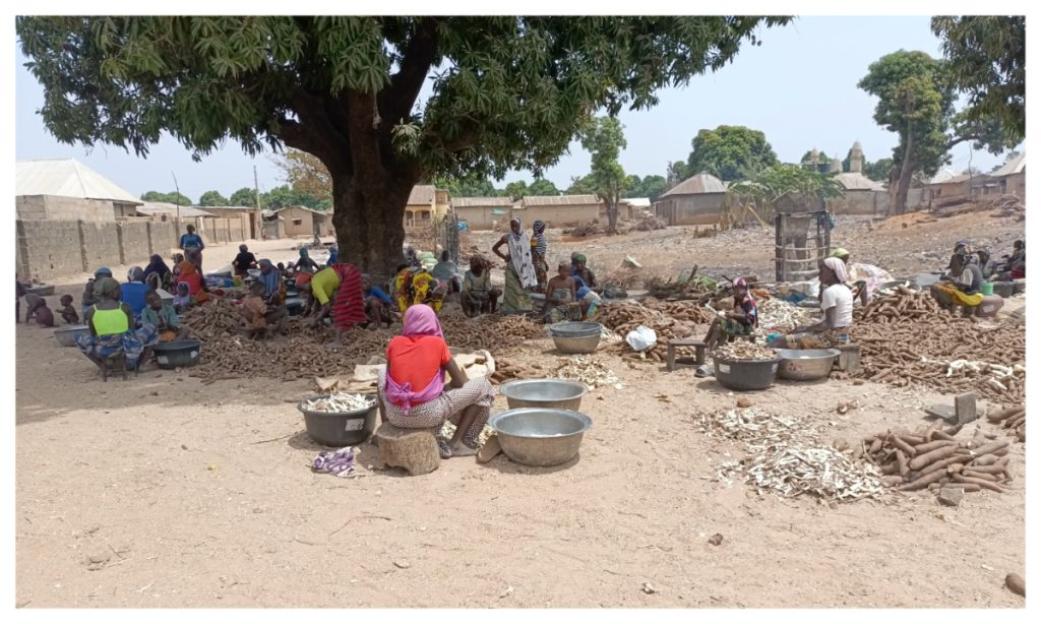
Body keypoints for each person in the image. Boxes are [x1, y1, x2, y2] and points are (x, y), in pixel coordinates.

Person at [378, 304, 496, 459]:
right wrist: (443, 389)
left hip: (395, 414)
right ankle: (457, 443)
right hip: (428, 413)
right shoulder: (437, 343)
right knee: (484, 386)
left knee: (381, 372)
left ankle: (384, 428)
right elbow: (460, 382)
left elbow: (389, 380)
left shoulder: (395, 342)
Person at [77, 277, 158, 371]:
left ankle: (102, 366)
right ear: (113, 292)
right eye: (119, 290)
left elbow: (93, 335)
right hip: (127, 356)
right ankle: (140, 364)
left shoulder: (92, 310)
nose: (121, 292)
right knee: (152, 328)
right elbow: (131, 333)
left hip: (103, 353)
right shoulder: (125, 307)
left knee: (79, 338)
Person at [770, 258, 853, 349]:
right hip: (843, 336)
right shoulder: (845, 289)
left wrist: (805, 329)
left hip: (829, 338)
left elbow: (829, 324)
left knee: (778, 341)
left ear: (832, 272)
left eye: (822, 270)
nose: (819, 274)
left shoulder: (830, 291)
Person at [491, 217, 538, 313]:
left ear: (520, 225)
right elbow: (494, 248)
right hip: (512, 267)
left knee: (524, 288)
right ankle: (510, 311)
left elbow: (528, 253)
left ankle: (525, 309)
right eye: (512, 226)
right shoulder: (507, 237)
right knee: (512, 290)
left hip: (524, 268)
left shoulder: (525, 236)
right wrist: (504, 257)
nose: (514, 228)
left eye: (516, 225)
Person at [703, 278, 758, 351]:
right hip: (738, 324)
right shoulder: (738, 299)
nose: (737, 291)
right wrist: (729, 313)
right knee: (718, 327)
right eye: (735, 289)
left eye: (739, 289)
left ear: (744, 289)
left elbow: (751, 318)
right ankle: (710, 348)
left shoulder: (749, 302)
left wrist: (734, 315)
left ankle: (705, 342)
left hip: (746, 328)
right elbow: (736, 312)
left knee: (717, 320)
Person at [531, 220, 549, 289]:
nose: (543, 229)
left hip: (541, 261)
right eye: (542, 227)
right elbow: (532, 249)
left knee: (543, 278)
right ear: (538, 228)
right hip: (537, 262)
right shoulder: (535, 237)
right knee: (540, 278)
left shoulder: (540, 236)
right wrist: (536, 262)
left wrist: (544, 262)